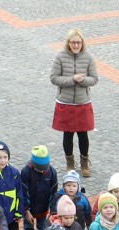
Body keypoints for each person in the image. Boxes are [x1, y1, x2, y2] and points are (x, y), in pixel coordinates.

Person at [50, 28, 98, 177]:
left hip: (82, 102)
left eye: (78, 42)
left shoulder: (88, 58)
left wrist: (82, 80)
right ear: (68, 43)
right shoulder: (60, 57)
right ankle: (70, 163)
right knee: (68, 135)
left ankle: (84, 163)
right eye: (73, 42)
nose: (76, 45)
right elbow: (54, 78)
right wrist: (72, 79)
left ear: (82, 43)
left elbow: (94, 79)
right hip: (66, 102)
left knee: (83, 134)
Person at [20, 146, 58, 230]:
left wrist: (52, 211)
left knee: (43, 229)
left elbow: (54, 193)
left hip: (43, 209)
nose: (42, 171)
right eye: (39, 169)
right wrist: (26, 210)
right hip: (29, 210)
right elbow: (23, 192)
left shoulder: (52, 172)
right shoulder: (26, 172)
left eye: (44, 169)